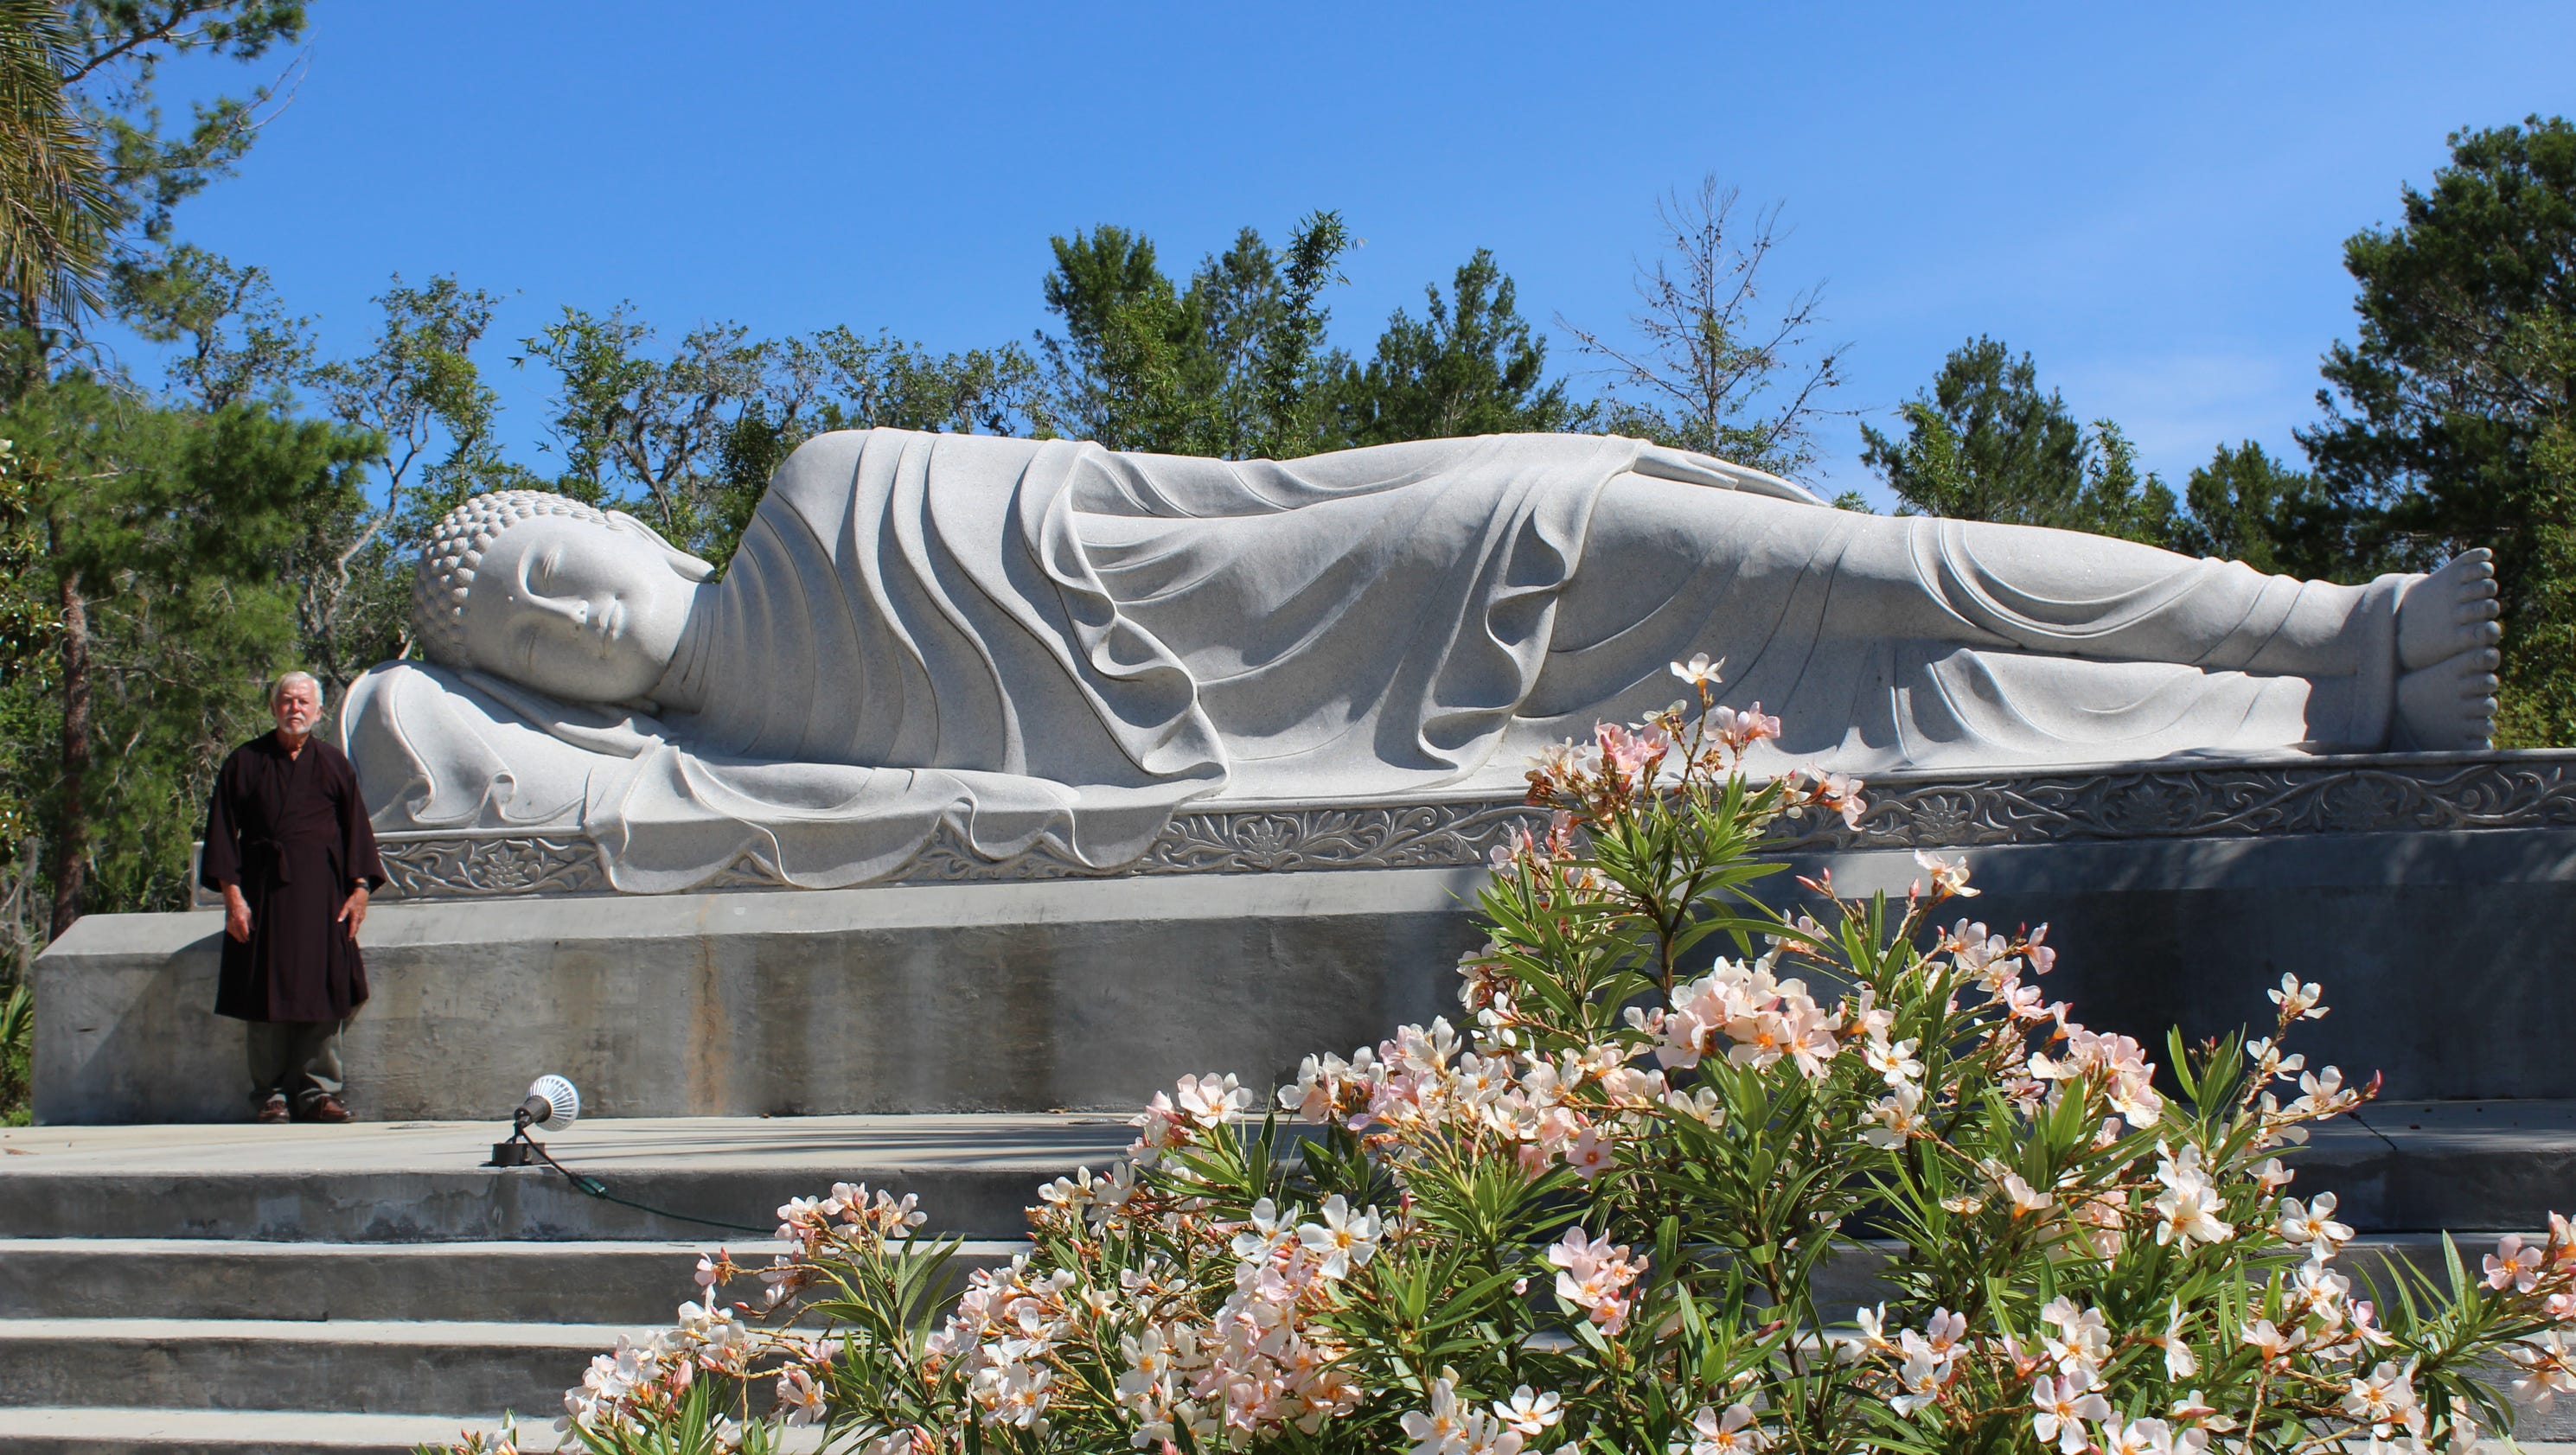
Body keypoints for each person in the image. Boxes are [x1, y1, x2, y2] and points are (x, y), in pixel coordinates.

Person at [342, 429, 2503, 893]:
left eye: (545, 557)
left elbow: (1200, 486)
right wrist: (408, 707)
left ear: (611, 515)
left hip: (1412, 560)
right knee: (1903, 698)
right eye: (512, 634)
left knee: (1876, 565)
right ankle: (2281, 707)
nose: (559, 610)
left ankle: (2332, 628)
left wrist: (1469, 464)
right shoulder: (733, 782)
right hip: (1352, 748)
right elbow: (436, 764)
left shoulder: (828, 487)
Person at [201, 670, 385, 1123]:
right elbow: (223, 833)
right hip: (263, 898)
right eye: (287, 701)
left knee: (324, 992)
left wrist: (360, 889)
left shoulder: (334, 766)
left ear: (319, 712)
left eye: (304, 702)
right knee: (263, 997)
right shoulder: (244, 763)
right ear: (273, 707)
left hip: (323, 899)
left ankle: (318, 1091)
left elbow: (356, 833)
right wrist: (233, 898)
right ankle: (269, 1094)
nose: (295, 709)